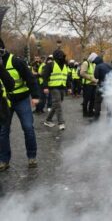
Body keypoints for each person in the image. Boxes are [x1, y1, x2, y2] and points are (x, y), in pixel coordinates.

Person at [0, 37, 40, 171]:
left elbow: (30, 79)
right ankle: (4, 160)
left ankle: (32, 157)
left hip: (21, 99)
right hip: (5, 102)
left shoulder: (17, 62)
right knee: (3, 131)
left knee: (28, 128)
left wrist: (35, 96)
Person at [42, 49, 68, 130]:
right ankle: (61, 123)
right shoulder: (50, 65)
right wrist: (45, 87)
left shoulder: (64, 65)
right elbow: (45, 76)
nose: (61, 58)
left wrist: (69, 87)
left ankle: (48, 120)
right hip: (53, 87)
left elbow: (67, 77)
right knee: (58, 105)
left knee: (56, 105)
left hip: (62, 88)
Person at [93, 55, 112, 120]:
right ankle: (109, 118)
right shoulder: (109, 65)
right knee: (109, 102)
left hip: (101, 86)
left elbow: (96, 77)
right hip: (110, 86)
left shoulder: (98, 66)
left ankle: (96, 118)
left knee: (97, 102)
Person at [80, 52, 98, 117]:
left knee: (93, 99)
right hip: (87, 84)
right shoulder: (86, 63)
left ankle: (90, 112)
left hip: (93, 84)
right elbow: (82, 73)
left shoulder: (94, 64)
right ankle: (85, 113)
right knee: (86, 99)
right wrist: (92, 79)